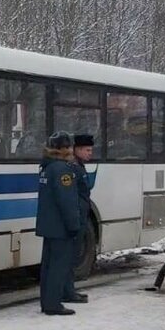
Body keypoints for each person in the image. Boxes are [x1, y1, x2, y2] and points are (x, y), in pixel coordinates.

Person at [36, 131, 81, 316]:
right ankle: (53, 304)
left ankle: (47, 302)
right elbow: (67, 201)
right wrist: (74, 225)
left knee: (47, 267)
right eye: (69, 146)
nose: (71, 149)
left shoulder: (46, 167)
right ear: (63, 149)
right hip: (60, 227)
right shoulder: (63, 170)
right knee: (58, 267)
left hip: (48, 226)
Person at [63, 133, 96, 304]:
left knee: (73, 257)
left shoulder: (79, 166)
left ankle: (69, 290)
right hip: (76, 217)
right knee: (69, 257)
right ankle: (67, 291)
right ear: (77, 150)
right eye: (87, 150)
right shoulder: (73, 167)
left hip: (81, 216)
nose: (91, 153)